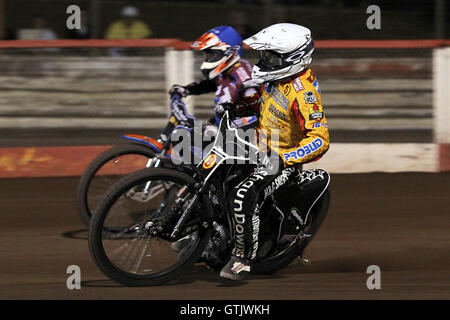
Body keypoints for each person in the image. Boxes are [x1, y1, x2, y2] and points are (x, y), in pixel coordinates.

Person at [219, 23, 330, 280]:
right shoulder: (277, 80)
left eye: (271, 57)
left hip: (282, 162)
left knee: (242, 193)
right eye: (265, 55)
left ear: (294, 58)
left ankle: (241, 259)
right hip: (256, 149)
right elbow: (265, 103)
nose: (265, 61)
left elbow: (320, 139)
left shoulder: (305, 94)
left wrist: (284, 158)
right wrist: (239, 107)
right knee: (213, 172)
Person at [169, 25, 260, 134]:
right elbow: (210, 84)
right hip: (221, 128)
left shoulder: (243, 74)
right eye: (207, 55)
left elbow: (256, 113)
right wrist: (185, 89)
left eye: (212, 55)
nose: (208, 59)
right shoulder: (226, 71)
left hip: (239, 139)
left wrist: (220, 130)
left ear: (230, 51)